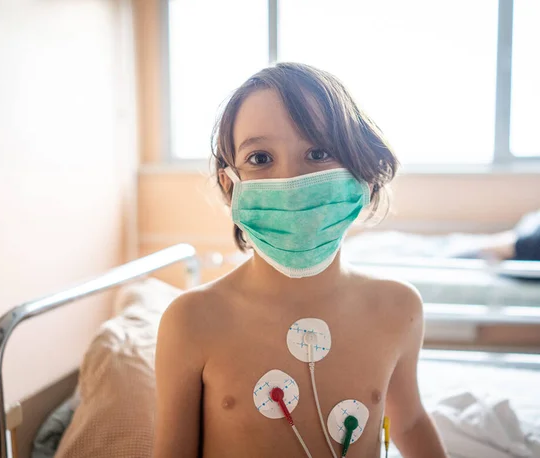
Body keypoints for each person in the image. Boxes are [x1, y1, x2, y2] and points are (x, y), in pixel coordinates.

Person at [154, 63, 447, 458]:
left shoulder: (398, 309)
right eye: (260, 158)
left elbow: (409, 422)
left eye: (318, 152)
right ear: (230, 183)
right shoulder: (192, 320)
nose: (291, 183)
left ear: (360, 170)